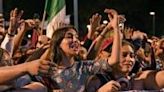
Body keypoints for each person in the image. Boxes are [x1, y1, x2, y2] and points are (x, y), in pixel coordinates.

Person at [40, 8, 122, 92]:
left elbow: (114, 60)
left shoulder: (84, 67)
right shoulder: (47, 71)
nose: (75, 40)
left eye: (76, 37)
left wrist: (116, 28)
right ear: (58, 43)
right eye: (69, 37)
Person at [98, 40, 164, 92]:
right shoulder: (96, 80)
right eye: (124, 55)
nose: (129, 59)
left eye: (132, 56)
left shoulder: (139, 79)